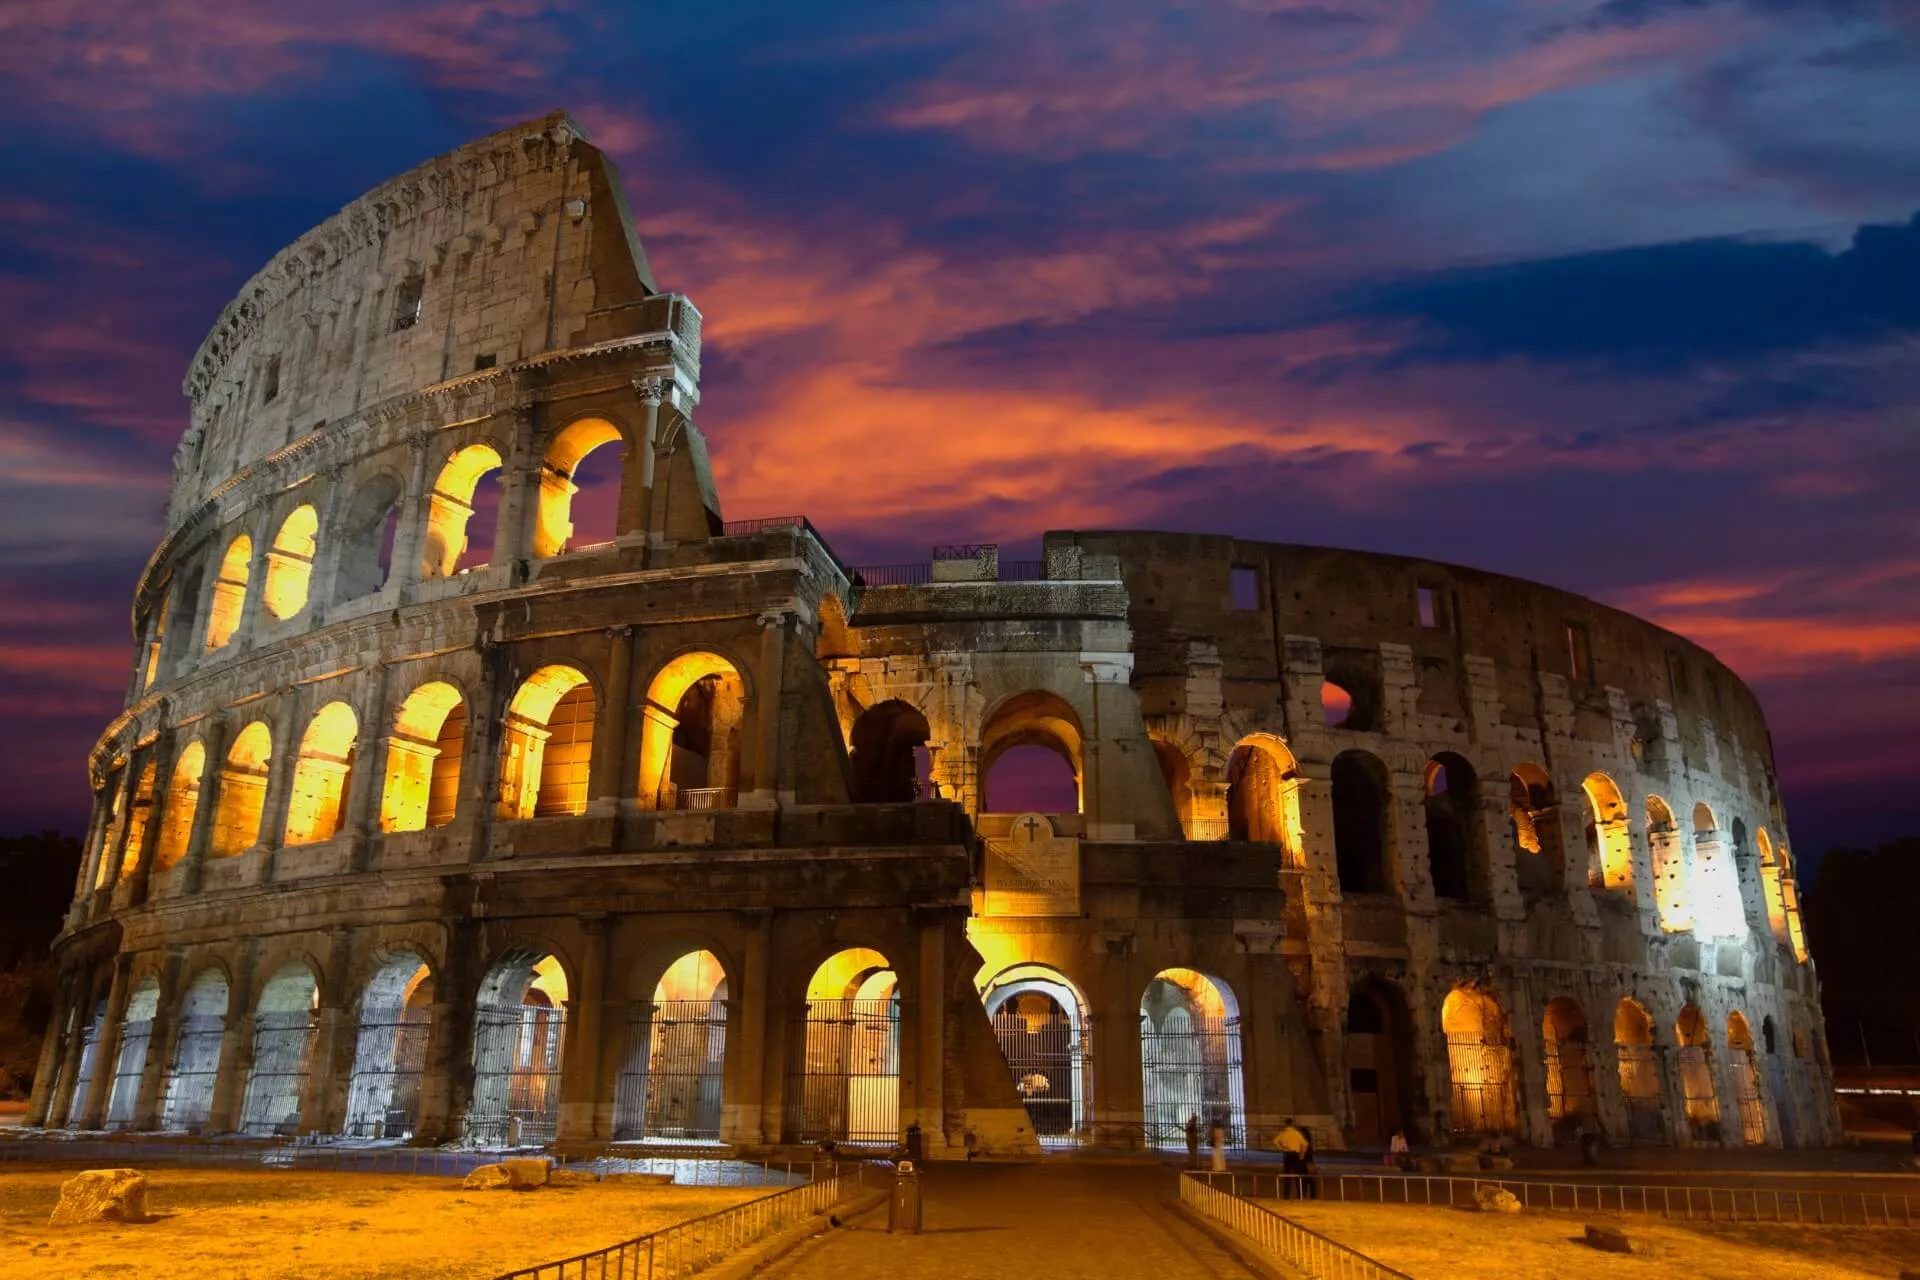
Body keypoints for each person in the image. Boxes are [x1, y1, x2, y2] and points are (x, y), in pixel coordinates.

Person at [1274, 1116, 1309, 1198]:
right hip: (1295, 1154)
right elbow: (1305, 1144)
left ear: (1285, 1124)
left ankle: (1286, 1195)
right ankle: (1300, 1194)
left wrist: (1281, 1148)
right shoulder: (1296, 1133)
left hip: (1287, 1154)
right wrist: (1302, 1154)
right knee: (1298, 1175)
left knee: (1286, 1175)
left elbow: (1275, 1141)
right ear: (1292, 1124)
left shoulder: (1283, 1133)